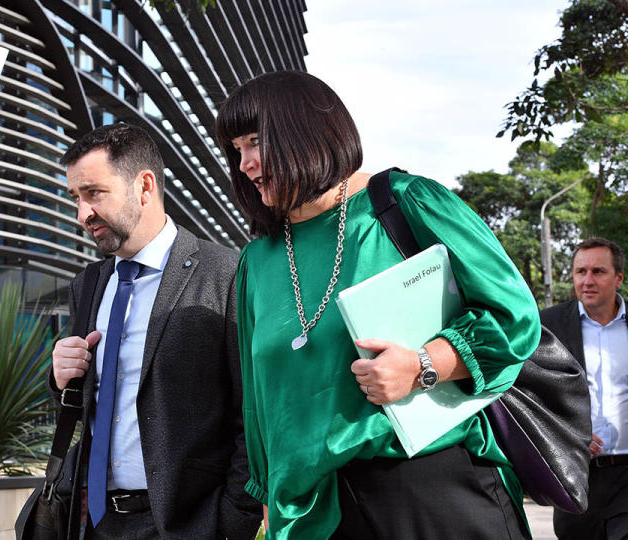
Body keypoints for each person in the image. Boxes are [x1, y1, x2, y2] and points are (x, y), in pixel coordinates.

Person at [215, 70, 541, 539]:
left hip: (429, 482)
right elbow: (258, 400)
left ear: (306, 130)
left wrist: (423, 364)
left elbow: (514, 317)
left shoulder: (406, 203)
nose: (245, 163)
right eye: (235, 150)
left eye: (254, 141)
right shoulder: (256, 260)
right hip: (316, 513)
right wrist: (269, 498)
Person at [48, 123, 262, 539]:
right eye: (75, 197)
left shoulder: (227, 274)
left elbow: (252, 416)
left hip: (185, 526)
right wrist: (60, 379)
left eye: (93, 193)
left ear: (144, 186)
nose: (82, 214)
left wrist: (231, 521)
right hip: (92, 521)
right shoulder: (87, 285)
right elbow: (89, 406)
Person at [541, 237, 627, 539]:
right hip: (575, 473)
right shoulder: (546, 326)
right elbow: (528, 395)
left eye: (598, 272)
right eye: (580, 272)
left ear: (619, 277)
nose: (587, 281)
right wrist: (567, 431)